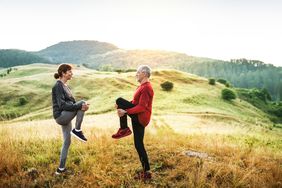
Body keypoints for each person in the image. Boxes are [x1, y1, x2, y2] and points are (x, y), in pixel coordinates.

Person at [112, 65, 154, 181]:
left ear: (144, 74)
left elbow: (141, 107)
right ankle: (147, 172)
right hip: (139, 116)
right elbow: (135, 102)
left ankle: (124, 129)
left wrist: (125, 111)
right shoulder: (141, 87)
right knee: (138, 144)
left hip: (141, 117)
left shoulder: (146, 88)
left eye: (138, 72)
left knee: (119, 99)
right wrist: (121, 107)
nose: (136, 74)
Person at [52, 64, 89, 175]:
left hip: (65, 115)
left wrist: (82, 108)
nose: (72, 74)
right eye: (70, 72)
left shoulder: (65, 86)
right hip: (61, 116)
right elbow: (62, 105)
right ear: (63, 73)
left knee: (67, 142)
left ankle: (61, 169)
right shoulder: (58, 86)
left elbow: (71, 104)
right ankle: (77, 130)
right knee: (82, 102)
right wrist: (80, 106)